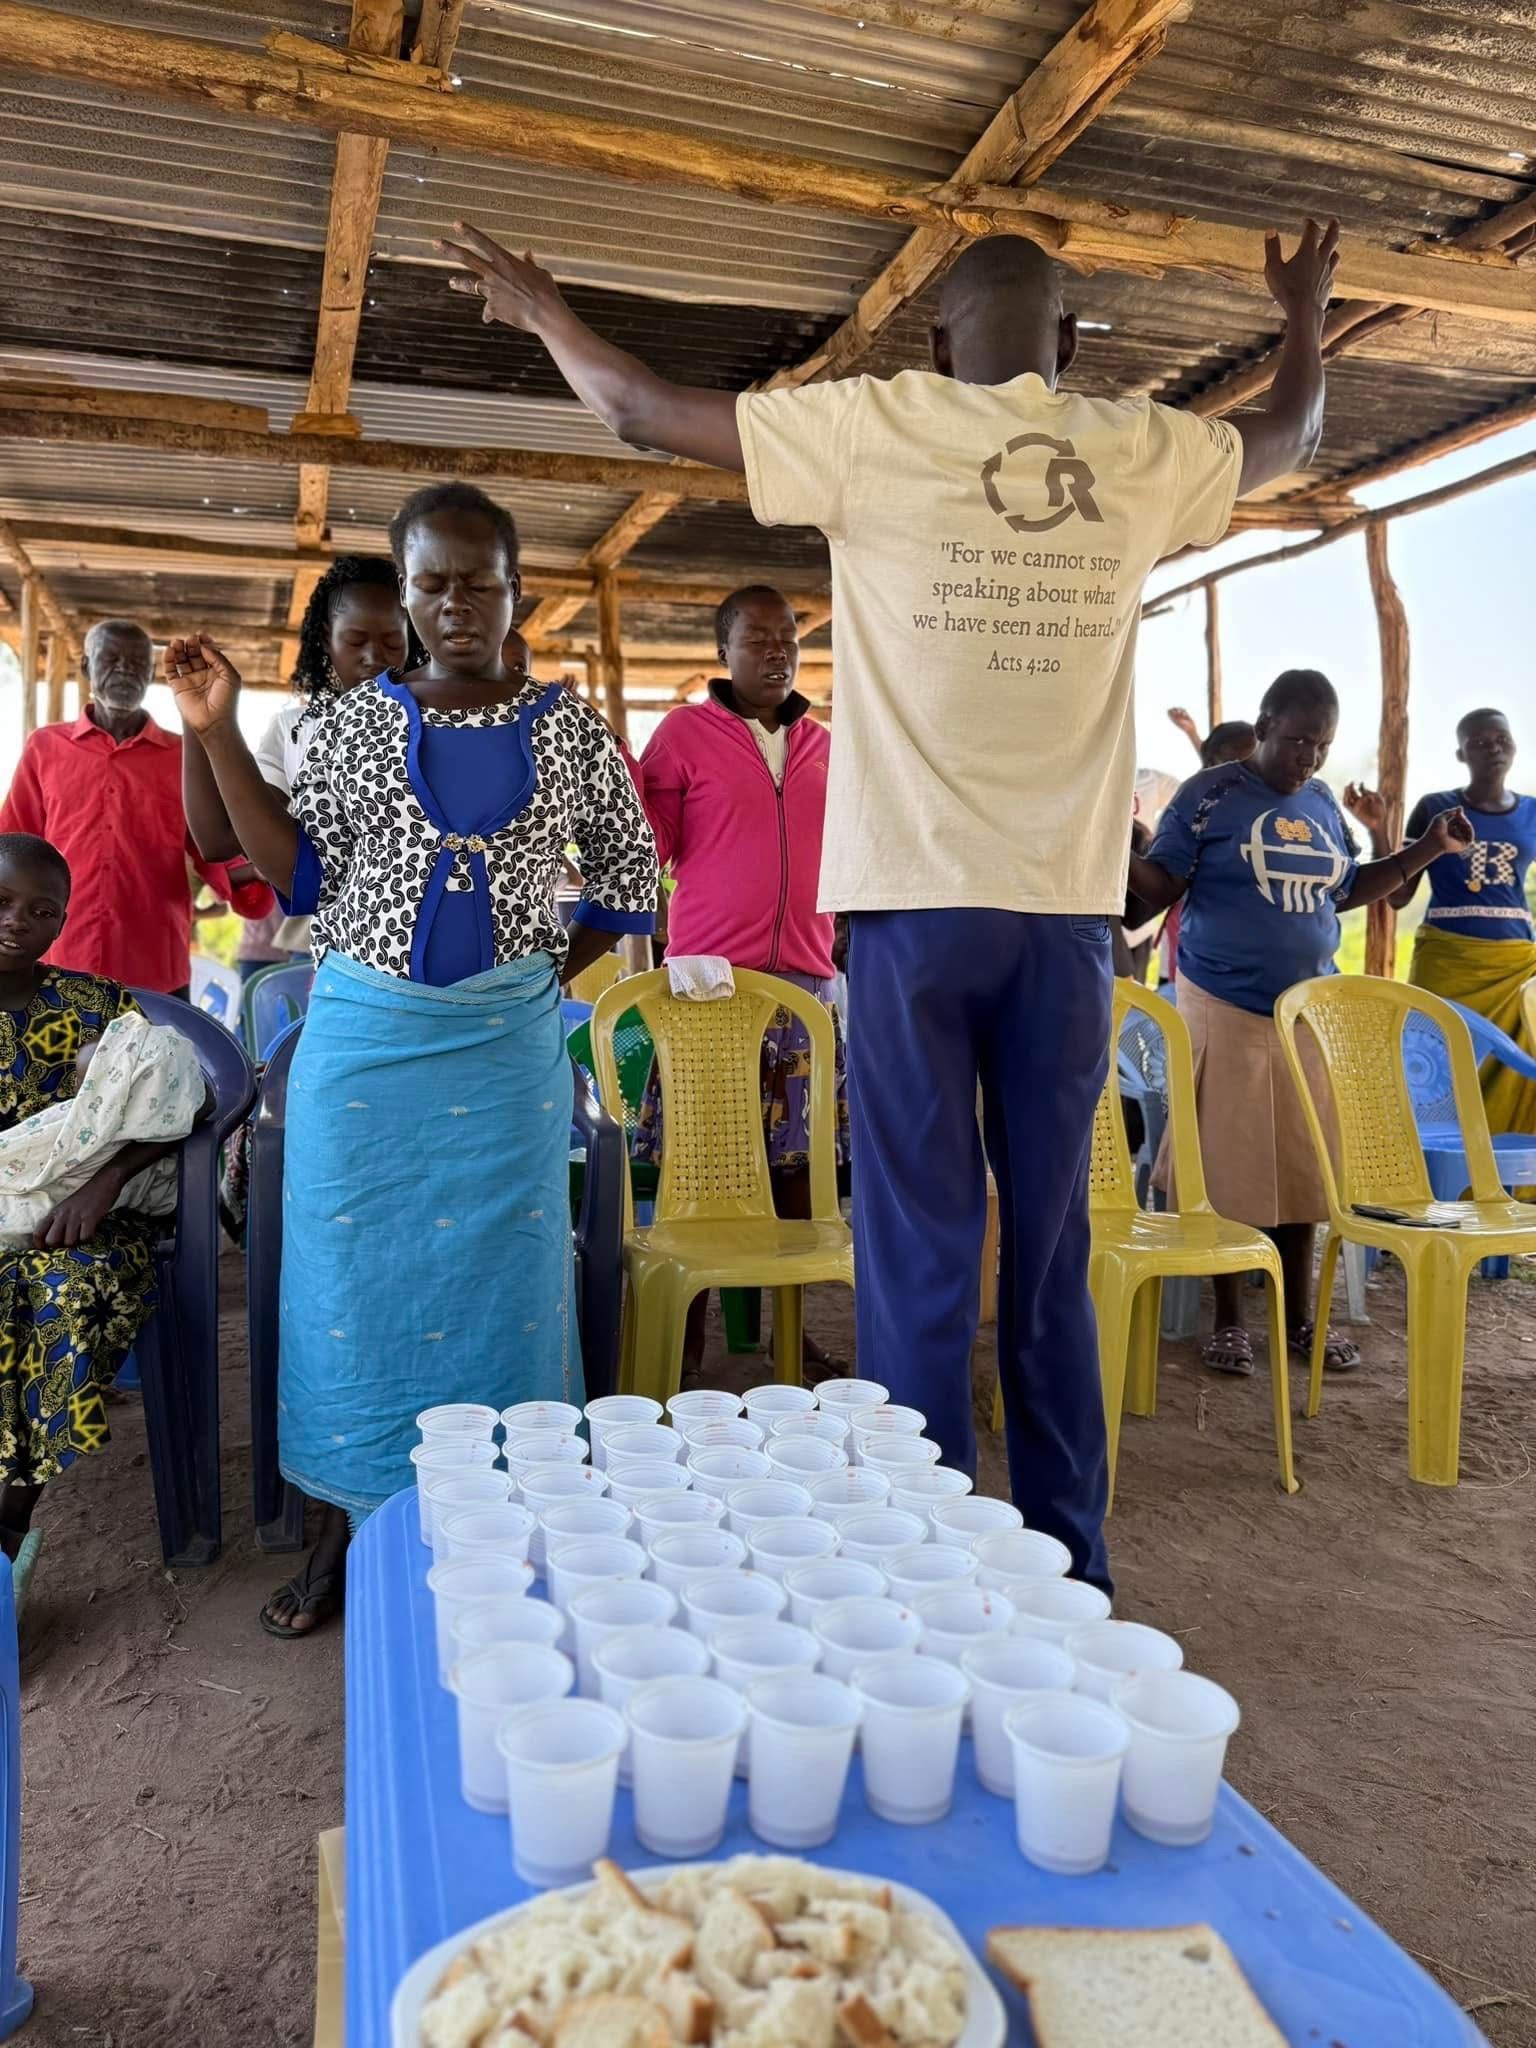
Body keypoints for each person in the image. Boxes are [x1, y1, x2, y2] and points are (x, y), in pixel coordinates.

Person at [431, 211, 1344, 1587]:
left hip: (914, 914)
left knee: (918, 1241)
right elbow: (1289, 435)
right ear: (1072, 345)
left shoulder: (876, 426)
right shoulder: (1138, 449)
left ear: (933, 343)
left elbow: (636, 411)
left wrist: (545, 304)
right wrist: (1305, 314)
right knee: (1051, 1248)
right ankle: (1067, 1573)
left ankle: (930, 1572)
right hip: (1063, 924)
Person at [165, 481, 657, 1638]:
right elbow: (297, 878)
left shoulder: (573, 730)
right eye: (431, 581)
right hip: (363, 1061)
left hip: (503, 1065)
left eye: (478, 580)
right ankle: (339, 1537)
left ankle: (507, 1531)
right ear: (406, 588)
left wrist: (530, 979)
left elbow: (630, 881)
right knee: (348, 1297)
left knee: (509, 1297)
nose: (455, 602)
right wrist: (215, 726)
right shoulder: (344, 726)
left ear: (515, 590)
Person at [1129, 670, 1472, 1375]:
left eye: (1320, 746)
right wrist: (1105, 843)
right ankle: (1228, 1320)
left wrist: (1428, 848)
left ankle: (1297, 1317)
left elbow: (1347, 888)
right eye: (1296, 742)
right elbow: (1159, 888)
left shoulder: (1318, 802)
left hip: (1301, 1018)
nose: (1308, 759)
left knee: (1303, 1172)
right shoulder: (1209, 795)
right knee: (1226, 1170)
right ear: (1263, 726)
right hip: (1222, 1006)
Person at [635, 583, 848, 1370]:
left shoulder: (826, 744)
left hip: (805, 985)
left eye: (788, 637)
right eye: (756, 637)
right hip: (706, 990)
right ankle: (683, 1344)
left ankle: (788, 1341)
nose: (776, 650)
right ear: (721, 653)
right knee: (699, 1164)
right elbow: (647, 844)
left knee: (797, 1167)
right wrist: (621, 779)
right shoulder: (684, 734)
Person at [0, 833, 210, 1599]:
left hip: (88, 1222)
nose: (18, 921)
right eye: (3, 902)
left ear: (61, 922)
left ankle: (9, 1526)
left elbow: (185, 1094)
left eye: (41, 910)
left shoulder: (94, 1003)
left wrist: (109, 1183)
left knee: (60, 1288)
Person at [0, 620, 273, 997]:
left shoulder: (183, 755)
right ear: (86, 668)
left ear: (151, 674)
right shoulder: (45, 747)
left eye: (138, 662)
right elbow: (15, 846)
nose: (125, 669)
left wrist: (258, 868)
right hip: (58, 959)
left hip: (153, 963)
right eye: (111, 658)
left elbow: (212, 847)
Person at [184, 555, 416, 963]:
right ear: (327, 637)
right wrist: (201, 724)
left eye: (392, 642)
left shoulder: (441, 727)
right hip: (331, 958)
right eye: (356, 640)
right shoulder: (297, 731)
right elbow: (219, 839)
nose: (373, 657)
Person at [1396, 709, 1536, 1140]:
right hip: (1446, 963)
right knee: (1432, 1071)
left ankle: (1512, 1191)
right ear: (1461, 753)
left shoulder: (1532, 812)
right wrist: (1382, 832)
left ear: (1513, 745)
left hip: (1515, 967)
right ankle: (1437, 1186)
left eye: (1501, 738)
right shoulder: (1435, 808)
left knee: (1519, 1071)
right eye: (1478, 741)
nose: (1492, 747)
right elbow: (1398, 896)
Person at [1157, 718, 1258, 985]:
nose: (1246, 775)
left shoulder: (1268, 815)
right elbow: (1160, 887)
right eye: (1234, 765)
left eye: (1253, 765)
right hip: (1199, 960)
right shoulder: (1192, 810)